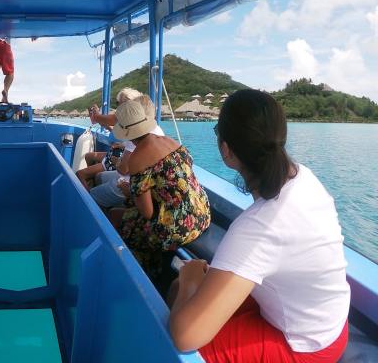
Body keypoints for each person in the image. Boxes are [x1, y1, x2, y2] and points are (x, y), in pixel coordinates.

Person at [169, 89, 350, 362]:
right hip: (327, 318)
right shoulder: (303, 177)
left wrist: (188, 282)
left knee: (178, 340)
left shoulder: (259, 227)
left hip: (307, 345)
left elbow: (185, 337)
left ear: (227, 150)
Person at [114, 99, 210, 284]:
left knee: (119, 220)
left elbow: (148, 213)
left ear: (126, 132)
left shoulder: (137, 159)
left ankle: (143, 278)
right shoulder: (170, 141)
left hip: (180, 226)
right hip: (202, 213)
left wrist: (130, 191)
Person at [89, 95, 165, 210]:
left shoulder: (137, 145)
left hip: (130, 182)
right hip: (137, 182)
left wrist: (117, 162)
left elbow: (123, 170)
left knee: (91, 196)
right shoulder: (158, 133)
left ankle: (105, 214)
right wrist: (123, 146)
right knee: (99, 176)